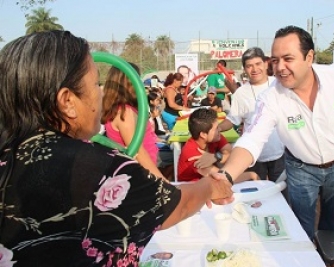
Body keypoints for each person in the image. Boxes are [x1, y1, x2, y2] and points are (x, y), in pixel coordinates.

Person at [0, 30, 233, 266]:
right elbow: (176, 207)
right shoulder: (100, 168)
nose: (100, 93)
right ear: (68, 101)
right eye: (95, 84)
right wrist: (208, 187)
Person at [212, 25, 334, 239]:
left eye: (288, 58)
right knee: (301, 225)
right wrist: (226, 176)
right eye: (275, 60)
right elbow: (251, 139)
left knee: (331, 223)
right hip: (301, 168)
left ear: (309, 57)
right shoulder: (271, 97)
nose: (280, 68)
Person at [219, 47, 284, 182]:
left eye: (258, 64)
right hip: (254, 156)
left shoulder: (279, 84)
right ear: (244, 69)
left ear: (266, 64)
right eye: (249, 66)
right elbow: (233, 119)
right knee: (256, 197)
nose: (254, 69)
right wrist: (217, 128)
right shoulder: (241, 93)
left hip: (280, 153)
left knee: (283, 194)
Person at [101, 63, 165, 179]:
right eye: (138, 79)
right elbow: (138, 151)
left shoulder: (125, 109)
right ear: (130, 83)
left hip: (146, 169)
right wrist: (162, 181)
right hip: (143, 172)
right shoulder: (124, 113)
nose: (140, 83)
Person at [178, 108, 258, 183]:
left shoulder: (214, 137)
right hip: (191, 190)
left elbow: (230, 152)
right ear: (203, 135)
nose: (219, 129)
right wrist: (251, 175)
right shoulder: (191, 152)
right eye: (216, 128)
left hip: (206, 183)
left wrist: (216, 157)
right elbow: (222, 177)